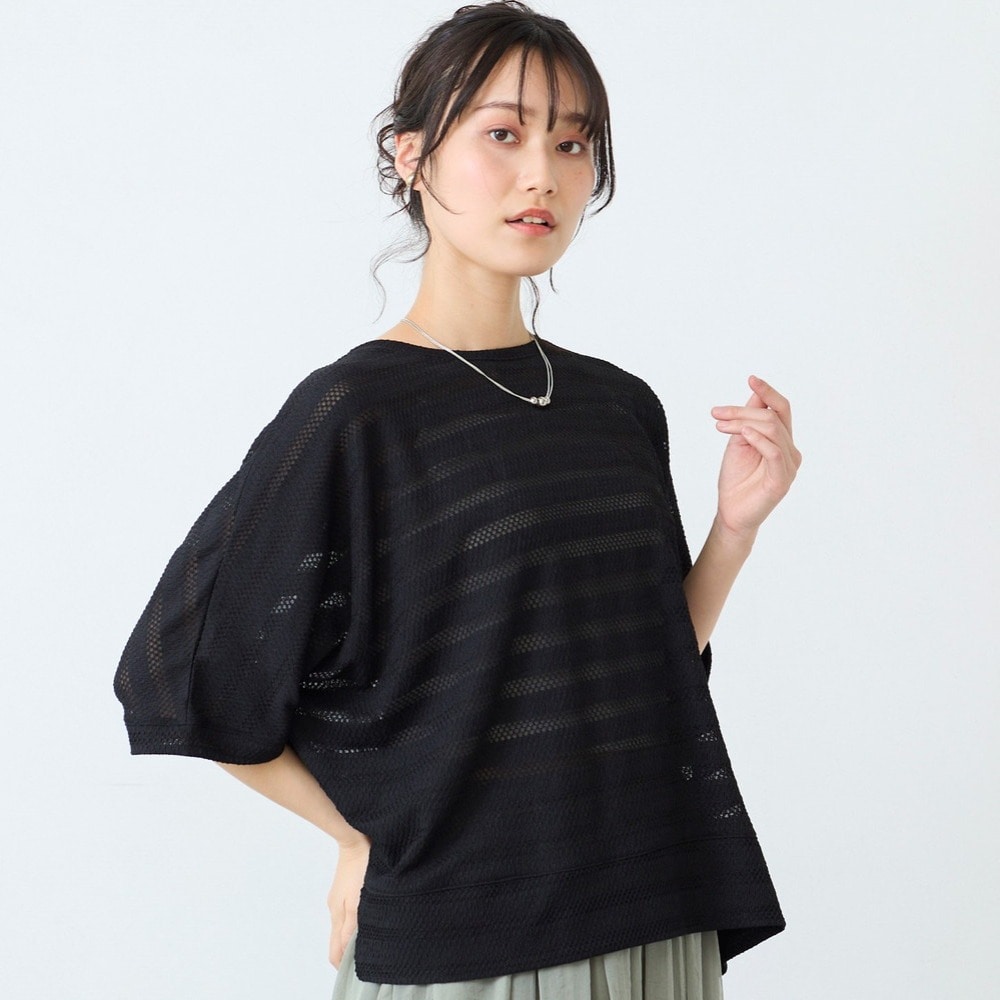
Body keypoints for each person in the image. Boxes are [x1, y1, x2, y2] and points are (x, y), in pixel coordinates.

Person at [113, 2, 801, 997]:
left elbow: (644, 664)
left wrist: (734, 530)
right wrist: (354, 836)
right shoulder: (356, 413)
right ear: (412, 155)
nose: (543, 175)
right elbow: (180, 674)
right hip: (473, 938)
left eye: (572, 144)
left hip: (659, 906)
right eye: (503, 134)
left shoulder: (617, 406)